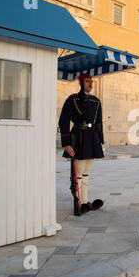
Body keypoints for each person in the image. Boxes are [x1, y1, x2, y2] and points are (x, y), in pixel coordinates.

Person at [59, 73, 104, 215]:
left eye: (91, 81)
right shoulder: (73, 99)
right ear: (81, 83)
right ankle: (79, 202)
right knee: (78, 173)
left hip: (92, 138)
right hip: (79, 136)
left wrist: (100, 140)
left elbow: (99, 122)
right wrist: (66, 143)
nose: (90, 84)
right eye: (87, 81)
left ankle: (85, 201)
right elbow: (63, 121)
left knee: (86, 173)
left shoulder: (96, 101)